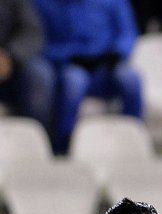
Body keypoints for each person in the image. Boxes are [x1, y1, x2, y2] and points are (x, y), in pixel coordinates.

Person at [32, 0, 144, 154]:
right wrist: (70, 56)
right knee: (74, 82)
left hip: (107, 66)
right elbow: (41, 45)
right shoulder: (44, 4)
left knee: (131, 79)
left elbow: (128, 33)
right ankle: (63, 146)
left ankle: (133, 140)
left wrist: (117, 53)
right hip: (71, 66)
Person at [0, 0, 54, 136]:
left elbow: (32, 33)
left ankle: (35, 142)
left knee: (40, 74)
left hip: (12, 63)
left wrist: (10, 56)